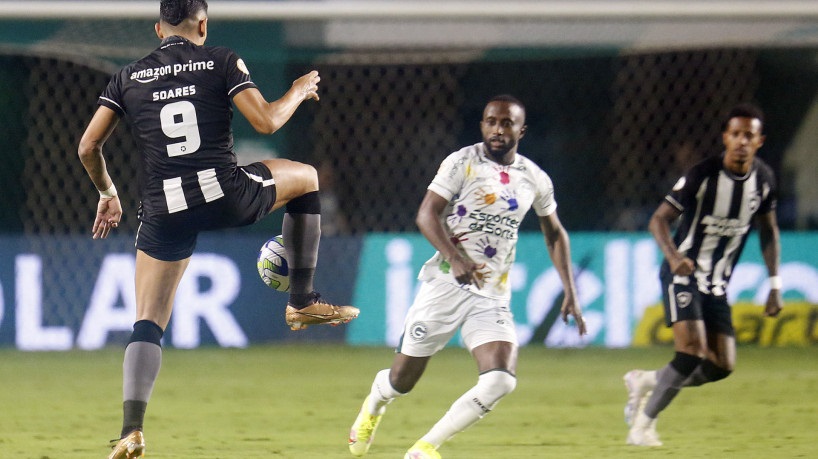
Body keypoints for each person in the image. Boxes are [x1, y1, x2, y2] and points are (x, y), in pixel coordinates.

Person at [78, 1, 359, 457]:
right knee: (306, 178)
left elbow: (88, 145)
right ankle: (302, 301)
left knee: (148, 321)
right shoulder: (221, 59)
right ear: (203, 24)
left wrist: (107, 192)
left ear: (158, 29)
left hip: (164, 210)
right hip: (225, 195)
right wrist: (298, 89)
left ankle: (132, 430)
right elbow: (266, 121)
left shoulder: (126, 77)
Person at [347, 95, 587, 459]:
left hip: (491, 294)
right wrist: (454, 258)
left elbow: (555, 233)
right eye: (491, 121)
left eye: (506, 123)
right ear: (482, 125)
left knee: (501, 380)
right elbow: (427, 215)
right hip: (445, 285)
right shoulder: (462, 162)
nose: (497, 129)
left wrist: (570, 289)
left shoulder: (534, 178)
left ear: (521, 130)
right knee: (402, 381)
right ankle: (374, 405)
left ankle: (425, 448)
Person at [624, 103, 783, 447]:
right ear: (726, 137)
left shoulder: (765, 180)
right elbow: (658, 220)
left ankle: (646, 380)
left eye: (749, 136)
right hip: (682, 273)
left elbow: (769, 231)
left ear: (759, 141)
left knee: (721, 366)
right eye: (736, 134)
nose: (742, 141)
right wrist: (674, 255)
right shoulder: (702, 175)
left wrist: (774, 284)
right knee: (691, 352)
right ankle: (642, 427)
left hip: (717, 283)